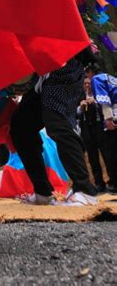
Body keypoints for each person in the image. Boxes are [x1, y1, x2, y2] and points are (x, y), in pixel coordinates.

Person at [10, 50, 99, 206]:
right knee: (20, 125)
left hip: (64, 66)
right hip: (43, 74)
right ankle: (43, 191)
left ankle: (85, 191)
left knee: (58, 123)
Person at [77, 77, 106, 191]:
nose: (87, 85)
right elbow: (76, 112)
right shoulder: (79, 96)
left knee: (106, 154)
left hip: (99, 128)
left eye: (89, 83)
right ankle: (99, 182)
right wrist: (81, 107)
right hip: (86, 130)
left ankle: (112, 180)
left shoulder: (99, 94)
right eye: (85, 83)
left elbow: (105, 107)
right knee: (92, 157)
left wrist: (95, 103)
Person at [91, 73, 117, 192]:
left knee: (112, 154)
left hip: (114, 117)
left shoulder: (97, 79)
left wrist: (108, 118)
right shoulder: (112, 79)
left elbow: (104, 100)